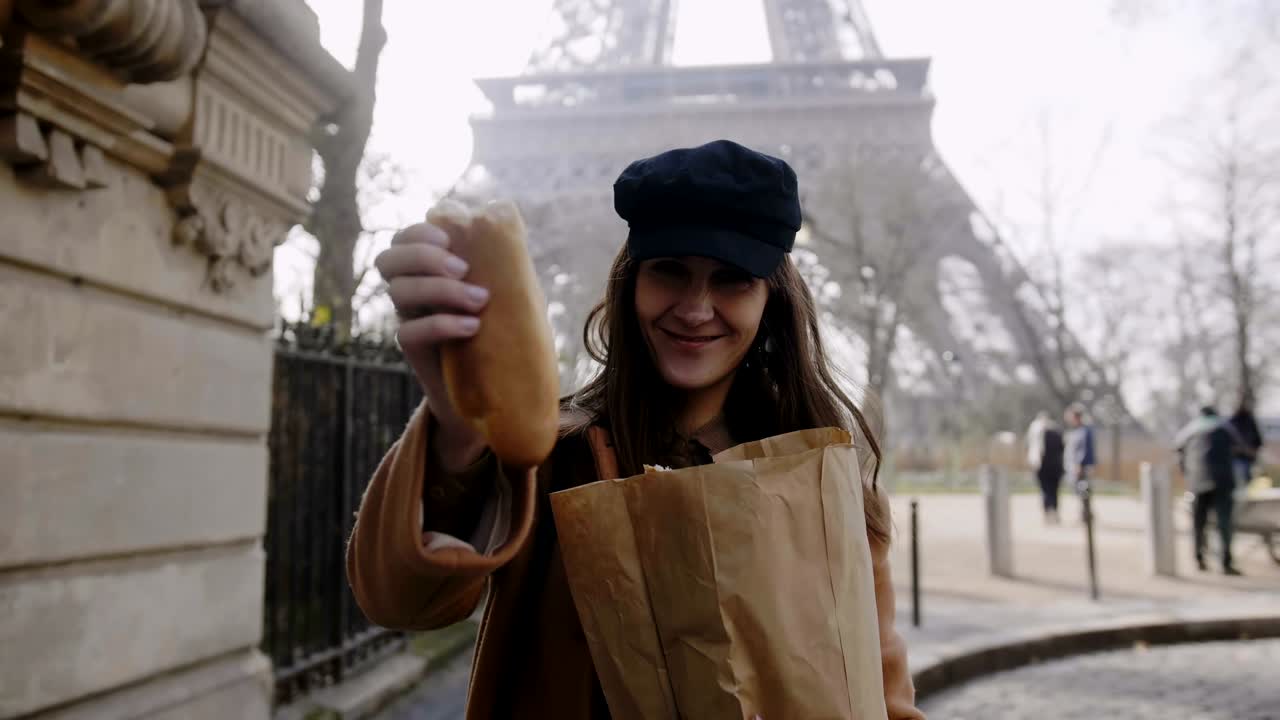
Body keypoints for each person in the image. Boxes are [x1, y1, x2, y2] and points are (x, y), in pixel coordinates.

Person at [345, 140, 925, 719]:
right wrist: (458, 425)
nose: (696, 308)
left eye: (732, 280)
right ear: (630, 285)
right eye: (670, 271)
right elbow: (402, 600)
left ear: (770, 303)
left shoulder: (826, 474)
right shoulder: (553, 459)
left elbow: (879, 691)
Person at [1176, 406, 1244, 575]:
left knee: (1199, 523)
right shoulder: (1224, 427)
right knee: (1224, 523)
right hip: (1223, 481)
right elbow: (1240, 448)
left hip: (1197, 482)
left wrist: (1187, 473)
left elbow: (1177, 448)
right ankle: (1226, 562)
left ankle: (1199, 559)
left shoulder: (1191, 429)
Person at [1027, 411, 1065, 524]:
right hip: (1056, 467)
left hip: (1043, 467)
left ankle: (1048, 513)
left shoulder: (1036, 433)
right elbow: (1062, 448)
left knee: (1045, 490)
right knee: (1054, 491)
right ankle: (1054, 511)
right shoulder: (1057, 432)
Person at [1063, 403, 1096, 523]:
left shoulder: (1084, 431)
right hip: (1075, 467)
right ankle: (1085, 513)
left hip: (1081, 467)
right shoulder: (1075, 431)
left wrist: (1079, 465)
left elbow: (1084, 450)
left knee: (1084, 490)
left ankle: (1087, 514)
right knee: (1080, 491)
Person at [1229, 391, 1264, 489]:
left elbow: (1258, 441)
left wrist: (1253, 451)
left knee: (1249, 483)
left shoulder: (1250, 421)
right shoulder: (1231, 422)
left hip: (1249, 459)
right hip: (1236, 459)